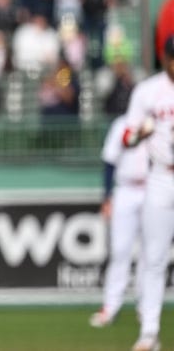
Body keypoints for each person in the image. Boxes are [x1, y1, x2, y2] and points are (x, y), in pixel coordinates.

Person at [120, 36, 174, 351]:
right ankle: (149, 332)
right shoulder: (147, 91)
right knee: (154, 258)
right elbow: (126, 137)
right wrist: (142, 132)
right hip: (160, 178)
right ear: (164, 57)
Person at [91, 115, 150, 329]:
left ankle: (146, 307)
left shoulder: (161, 121)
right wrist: (107, 196)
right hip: (125, 189)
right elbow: (109, 161)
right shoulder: (121, 124)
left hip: (154, 188)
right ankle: (110, 306)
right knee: (120, 251)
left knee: (150, 254)